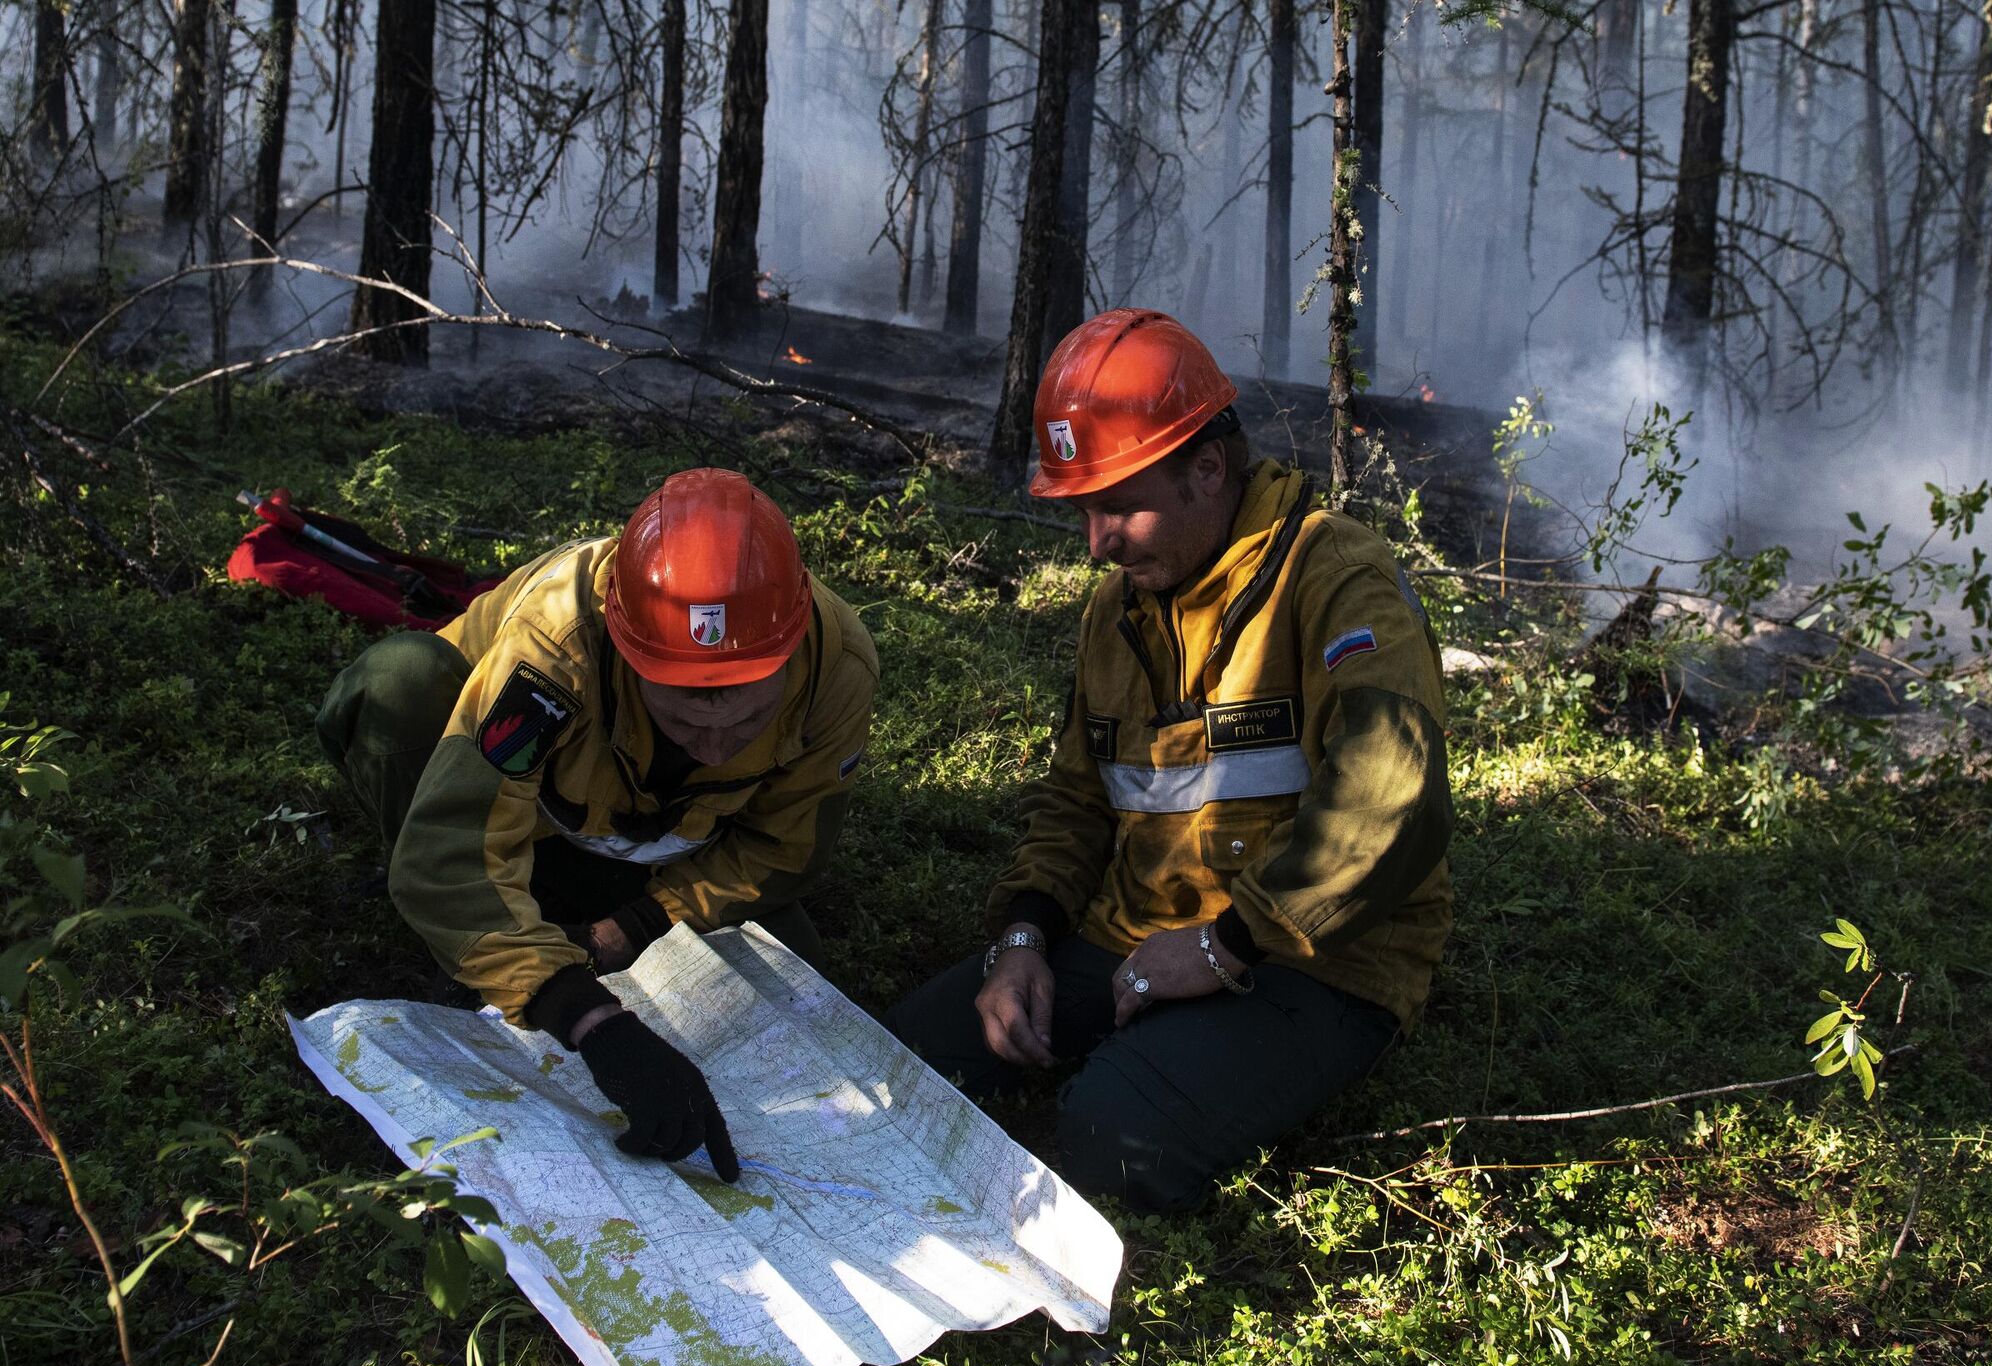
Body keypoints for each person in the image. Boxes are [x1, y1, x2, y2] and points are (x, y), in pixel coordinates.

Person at [887, 309, 1454, 1212]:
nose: (1099, 544)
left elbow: (1393, 792)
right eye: (1084, 512)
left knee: (1118, 1141)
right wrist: (1024, 939)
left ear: (1207, 468)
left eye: (1120, 507)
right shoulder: (1114, 613)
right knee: (899, 1066)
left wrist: (1228, 945)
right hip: (1134, 939)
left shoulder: (1335, 574)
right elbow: (1077, 801)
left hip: (1315, 962)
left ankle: (1160, 1072)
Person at [317, 468, 878, 1184]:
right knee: (403, 684)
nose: (712, 745)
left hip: (648, 851)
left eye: (747, 720)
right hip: (515, 815)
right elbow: (450, 849)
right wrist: (588, 1019)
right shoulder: (555, 648)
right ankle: (499, 938)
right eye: (680, 715)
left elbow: (783, 849)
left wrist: (641, 922)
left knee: (792, 963)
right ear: (623, 648)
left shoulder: (838, 666)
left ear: (792, 651)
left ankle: (534, 927)